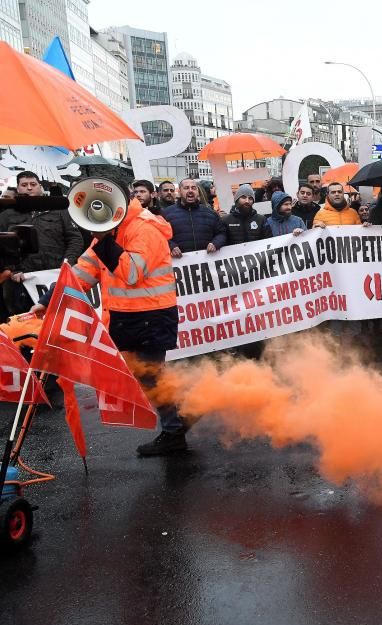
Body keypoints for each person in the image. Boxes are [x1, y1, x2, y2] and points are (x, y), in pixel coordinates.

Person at [33, 196, 185, 457]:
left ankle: (175, 430)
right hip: (127, 318)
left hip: (152, 317)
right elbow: (82, 272)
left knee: (150, 375)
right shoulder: (109, 233)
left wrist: (104, 240)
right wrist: (49, 301)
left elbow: (131, 273)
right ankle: (180, 419)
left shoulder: (144, 228)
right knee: (147, 377)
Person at [0, 171, 85, 315]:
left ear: (40, 186)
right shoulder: (6, 215)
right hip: (21, 284)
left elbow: (75, 238)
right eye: (24, 185)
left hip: (55, 278)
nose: (29, 188)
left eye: (33, 184)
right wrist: (11, 269)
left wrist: (68, 262)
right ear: (18, 189)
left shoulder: (58, 210)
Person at [162, 178, 226, 257]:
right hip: (179, 264)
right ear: (179, 191)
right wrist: (171, 246)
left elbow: (222, 233)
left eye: (193, 188)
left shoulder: (210, 213)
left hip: (207, 264)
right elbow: (160, 236)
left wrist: (216, 243)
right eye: (186, 188)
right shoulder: (166, 214)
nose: (190, 191)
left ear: (198, 192)